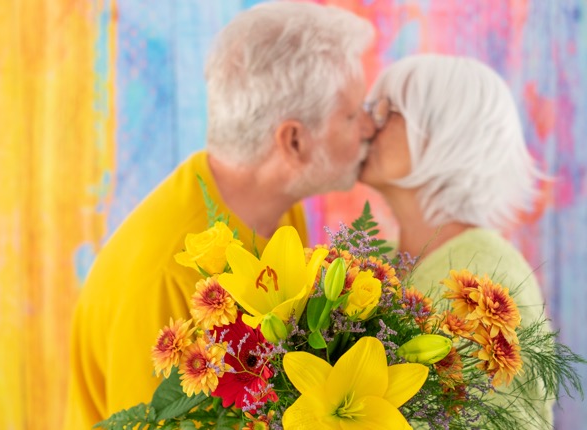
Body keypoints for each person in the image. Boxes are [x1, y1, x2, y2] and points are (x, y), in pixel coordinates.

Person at [63, 3, 375, 428]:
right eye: (353, 114)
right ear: (295, 142)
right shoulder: (164, 281)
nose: (369, 128)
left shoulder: (276, 211)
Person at [360, 53, 553, 427]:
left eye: (387, 113)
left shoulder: (487, 278)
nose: (367, 127)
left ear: (443, 134)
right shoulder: (376, 264)